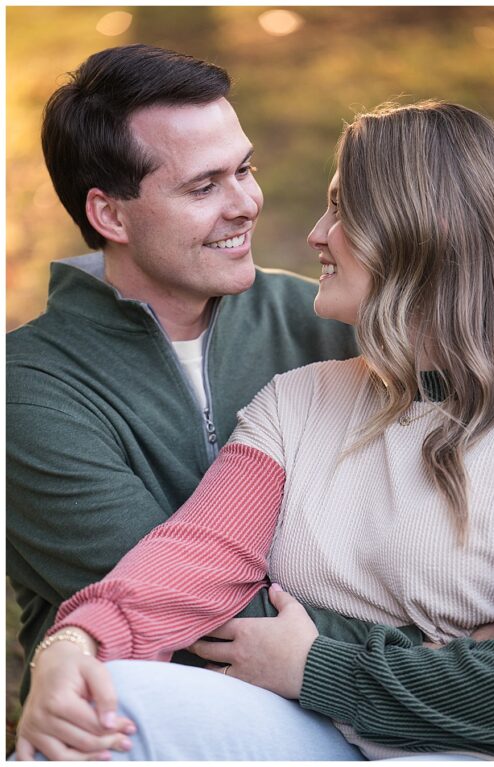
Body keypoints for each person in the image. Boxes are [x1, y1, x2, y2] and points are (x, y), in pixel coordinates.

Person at [13, 97, 494, 761]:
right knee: (104, 710)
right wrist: (73, 643)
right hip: (305, 719)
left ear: (423, 227)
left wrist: (319, 664)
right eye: (203, 184)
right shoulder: (299, 395)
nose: (312, 232)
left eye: (344, 209)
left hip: (452, 744)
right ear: (110, 213)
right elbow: (193, 558)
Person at [6, 43, 364, 709]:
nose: (246, 203)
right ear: (110, 214)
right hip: (145, 725)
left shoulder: (328, 321)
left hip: (358, 722)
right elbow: (181, 616)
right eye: (205, 187)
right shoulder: (26, 387)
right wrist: (423, 652)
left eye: (244, 170)